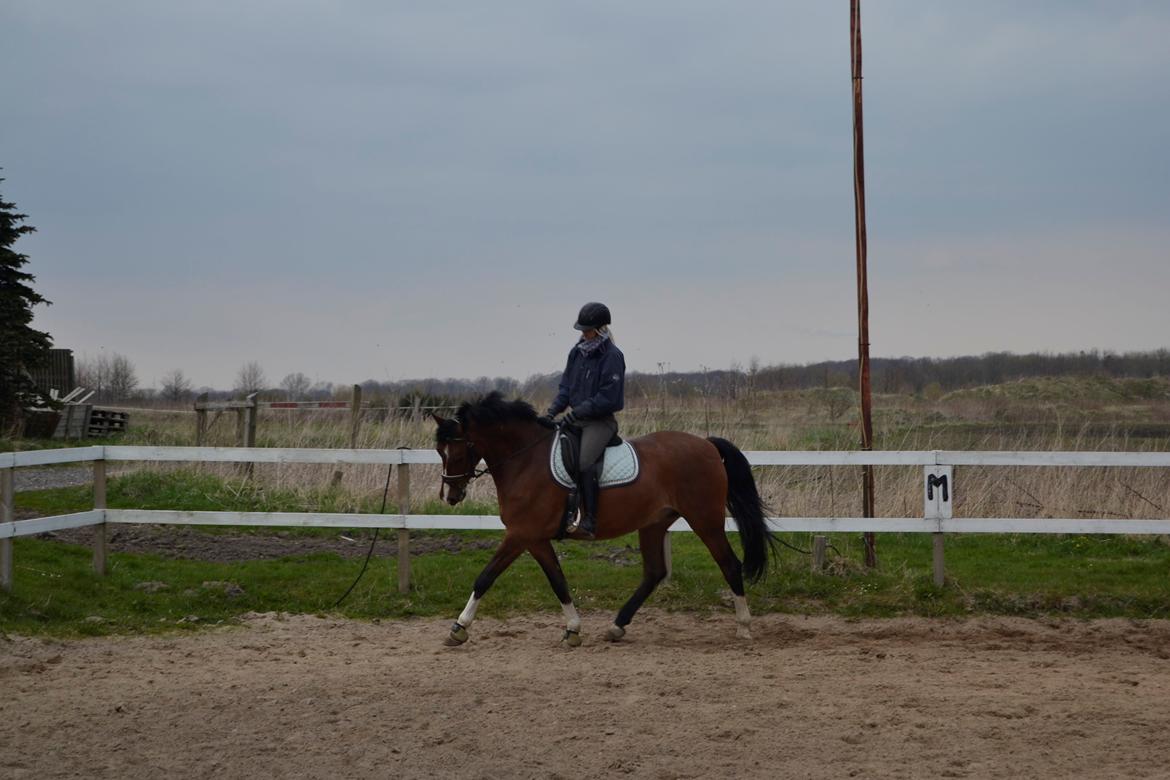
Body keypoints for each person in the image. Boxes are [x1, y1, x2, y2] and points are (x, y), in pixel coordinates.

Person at [542, 302, 626, 540]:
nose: (583, 333)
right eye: (582, 330)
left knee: (585, 462)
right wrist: (552, 412)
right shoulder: (577, 351)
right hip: (576, 419)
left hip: (599, 422)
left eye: (587, 330)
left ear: (600, 329)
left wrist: (578, 411)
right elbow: (566, 388)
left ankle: (590, 520)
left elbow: (609, 397)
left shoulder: (612, 356)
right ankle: (565, 514)